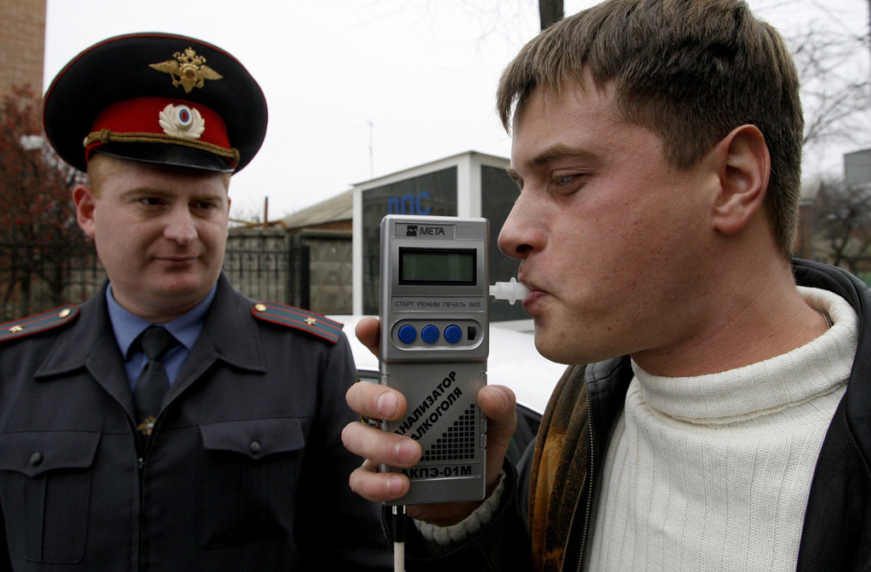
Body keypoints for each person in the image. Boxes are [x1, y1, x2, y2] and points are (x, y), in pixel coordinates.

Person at [341, 0, 871, 570]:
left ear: (732, 180)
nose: (511, 233)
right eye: (520, 185)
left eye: (566, 179)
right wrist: (463, 518)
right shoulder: (576, 417)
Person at [0, 33, 390, 571]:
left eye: (205, 205)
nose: (184, 232)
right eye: (152, 201)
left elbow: (356, 555)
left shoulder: (309, 361)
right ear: (87, 210)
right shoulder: (13, 368)